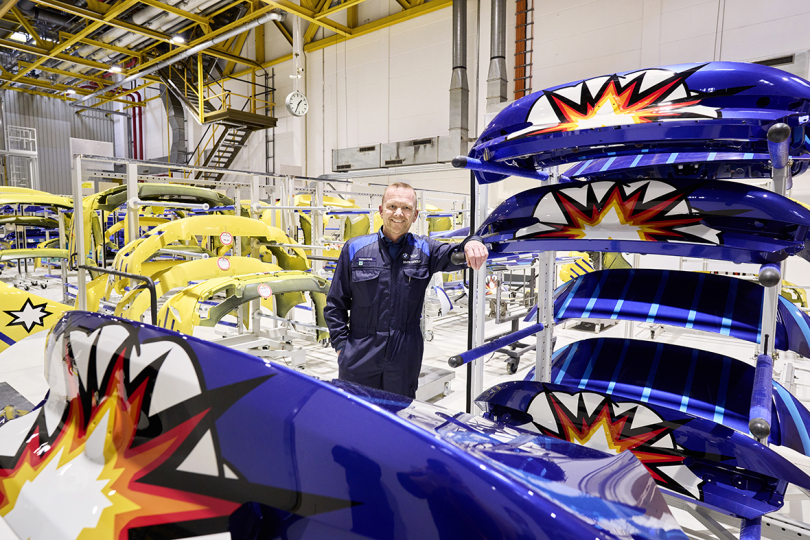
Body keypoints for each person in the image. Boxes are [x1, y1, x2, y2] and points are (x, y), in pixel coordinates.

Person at [325, 182, 488, 398]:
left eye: (406, 208)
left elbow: (456, 254)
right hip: (359, 353)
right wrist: (342, 348)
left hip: (404, 355)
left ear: (415, 214)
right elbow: (335, 303)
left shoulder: (426, 250)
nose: (399, 213)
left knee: (400, 417)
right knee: (357, 419)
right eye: (392, 206)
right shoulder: (355, 248)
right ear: (382, 211)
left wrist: (473, 241)